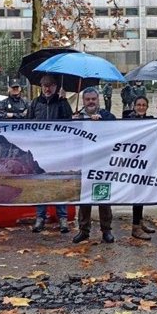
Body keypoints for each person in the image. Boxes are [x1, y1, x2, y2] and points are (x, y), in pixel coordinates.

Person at [27, 74, 73, 234]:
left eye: (51, 85)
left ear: (56, 86)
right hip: (40, 151)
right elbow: (27, 124)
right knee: (41, 183)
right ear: (41, 85)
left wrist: (64, 100)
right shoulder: (35, 103)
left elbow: (69, 119)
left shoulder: (61, 103)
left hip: (58, 151)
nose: (47, 88)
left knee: (58, 182)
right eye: (45, 85)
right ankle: (40, 217)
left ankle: (62, 218)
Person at [72, 87, 116, 243]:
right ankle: (84, 230)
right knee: (84, 198)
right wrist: (73, 123)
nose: (90, 102)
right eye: (87, 99)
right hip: (83, 162)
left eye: (93, 99)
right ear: (83, 101)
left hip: (102, 163)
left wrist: (101, 123)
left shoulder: (107, 116)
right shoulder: (76, 117)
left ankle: (106, 230)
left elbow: (116, 133)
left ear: (98, 100)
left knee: (103, 196)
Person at [126, 96, 157, 240]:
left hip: (146, 162)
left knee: (142, 194)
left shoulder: (150, 120)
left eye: (144, 105)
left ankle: (139, 222)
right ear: (134, 106)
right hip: (132, 163)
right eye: (138, 104)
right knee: (137, 195)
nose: (141, 107)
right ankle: (135, 227)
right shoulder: (127, 120)